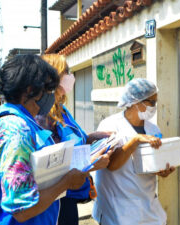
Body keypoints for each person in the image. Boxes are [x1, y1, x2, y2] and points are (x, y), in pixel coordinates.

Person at [0, 54, 88, 225]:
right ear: (31, 90)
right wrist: (66, 183)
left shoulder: (14, 118)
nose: (51, 96)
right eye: (48, 90)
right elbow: (22, 210)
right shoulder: (16, 130)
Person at [37, 54, 112, 225]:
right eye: (67, 71)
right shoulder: (39, 115)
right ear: (52, 77)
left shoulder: (61, 110)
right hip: (52, 202)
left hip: (69, 197)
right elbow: (48, 164)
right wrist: (90, 164)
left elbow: (71, 140)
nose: (71, 76)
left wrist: (91, 138)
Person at [92, 78, 176, 225]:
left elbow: (150, 163)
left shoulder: (153, 129)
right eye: (152, 102)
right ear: (137, 102)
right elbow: (111, 165)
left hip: (147, 203)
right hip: (118, 206)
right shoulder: (110, 125)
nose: (154, 107)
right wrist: (135, 141)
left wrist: (161, 170)